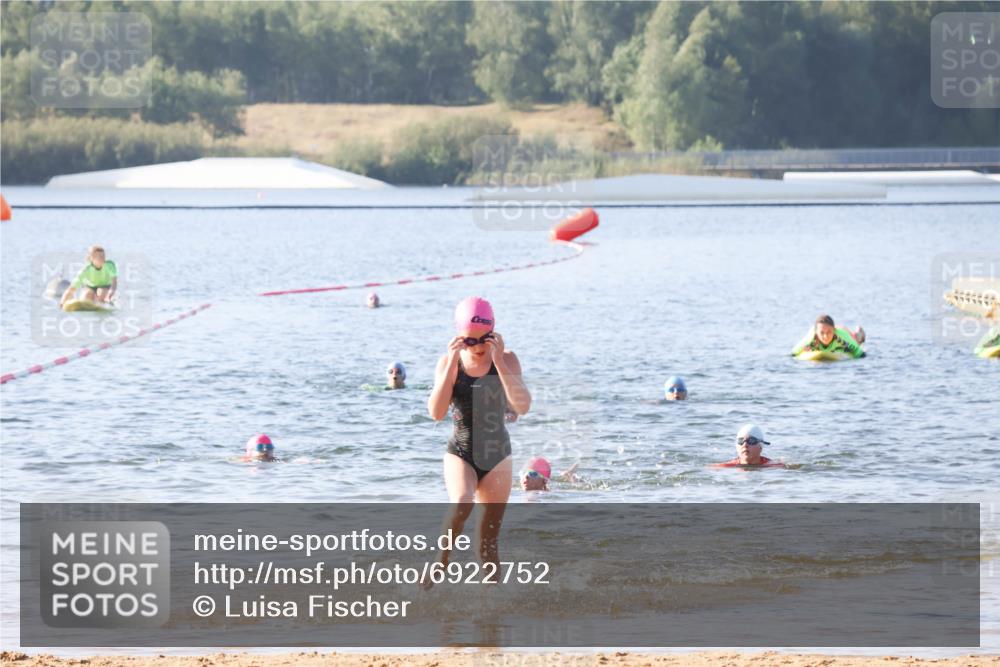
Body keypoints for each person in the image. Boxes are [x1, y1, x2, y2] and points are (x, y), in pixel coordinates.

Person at [425, 297, 531, 586]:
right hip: (461, 451)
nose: (479, 347)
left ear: (494, 332)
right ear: (459, 337)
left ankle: (491, 613)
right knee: (461, 502)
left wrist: (499, 362)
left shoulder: (507, 359)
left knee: (487, 547)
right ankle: (441, 560)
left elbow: (522, 406)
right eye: (470, 341)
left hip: (498, 455)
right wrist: (449, 369)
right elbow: (435, 413)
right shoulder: (449, 362)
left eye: (484, 339)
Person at [791, 314, 865, 358]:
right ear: (816, 333)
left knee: (853, 338)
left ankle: (858, 334)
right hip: (819, 328)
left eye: (829, 332)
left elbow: (860, 353)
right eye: (822, 333)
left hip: (841, 332)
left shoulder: (840, 335)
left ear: (833, 330)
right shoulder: (811, 337)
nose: (825, 336)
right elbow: (794, 352)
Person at [712, 424, 785, 468]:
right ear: (737, 447)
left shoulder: (775, 466)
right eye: (741, 441)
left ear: (760, 446)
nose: (745, 444)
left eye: (751, 441)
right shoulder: (724, 467)